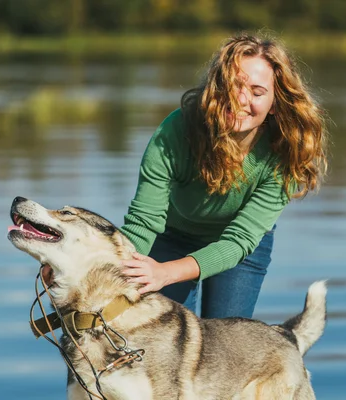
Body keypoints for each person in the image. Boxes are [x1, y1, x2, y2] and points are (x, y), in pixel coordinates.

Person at [118, 33, 328, 319]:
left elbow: (238, 241)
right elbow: (143, 221)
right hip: (172, 236)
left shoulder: (287, 152)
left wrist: (166, 273)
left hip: (241, 247)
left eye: (257, 92)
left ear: (275, 103)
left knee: (227, 348)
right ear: (216, 88)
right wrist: (98, 268)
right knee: (168, 339)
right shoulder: (175, 132)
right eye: (233, 86)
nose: (241, 100)